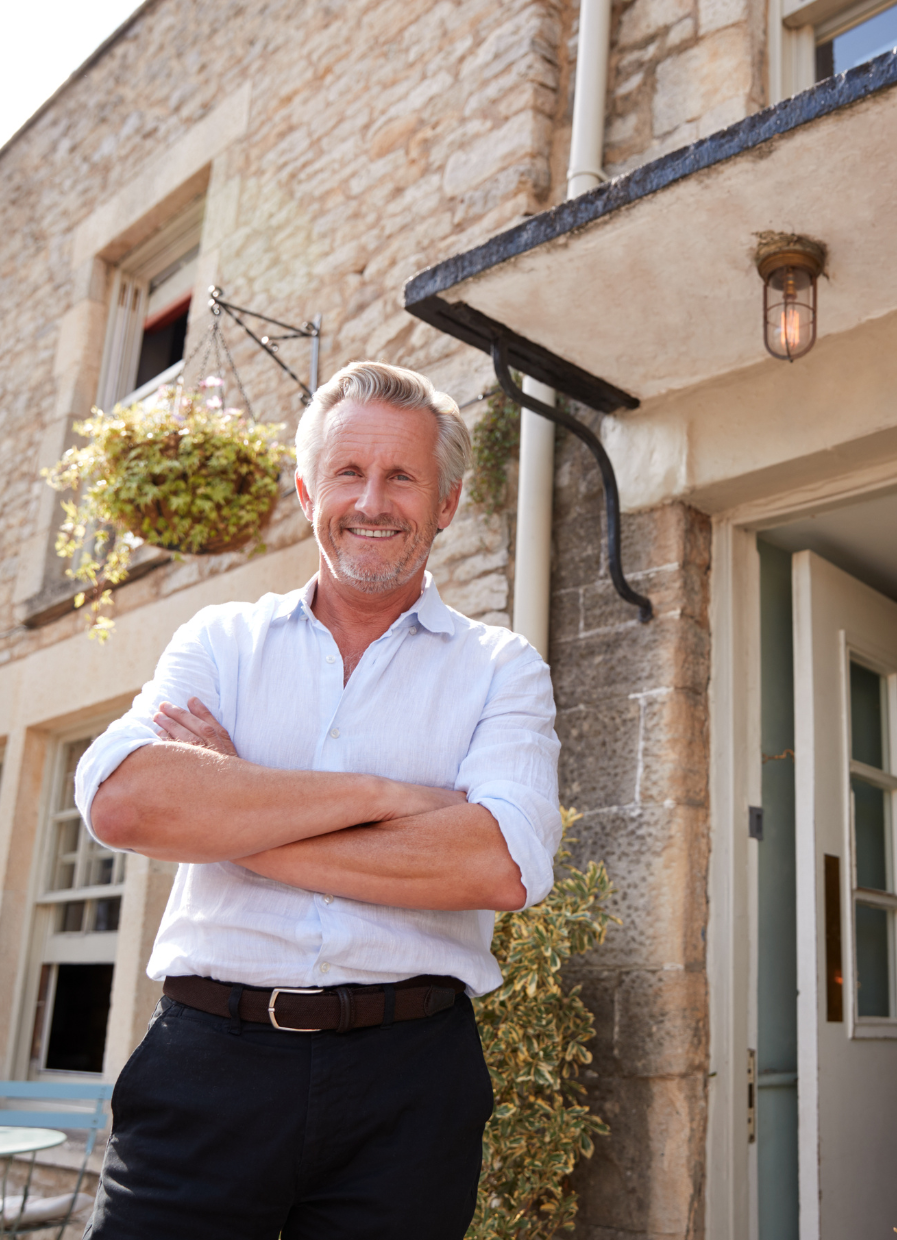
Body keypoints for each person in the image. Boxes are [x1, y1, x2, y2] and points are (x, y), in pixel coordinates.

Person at [74, 360, 561, 1240]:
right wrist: (385, 796)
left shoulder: (501, 667)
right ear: (307, 493)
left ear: (447, 504)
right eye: (347, 472)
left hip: (409, 1085)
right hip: (208, 1063)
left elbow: (501, 862)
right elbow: (125, 801)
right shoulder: (221, 641)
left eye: (402, 476)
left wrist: (234, 811)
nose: (371, 501)